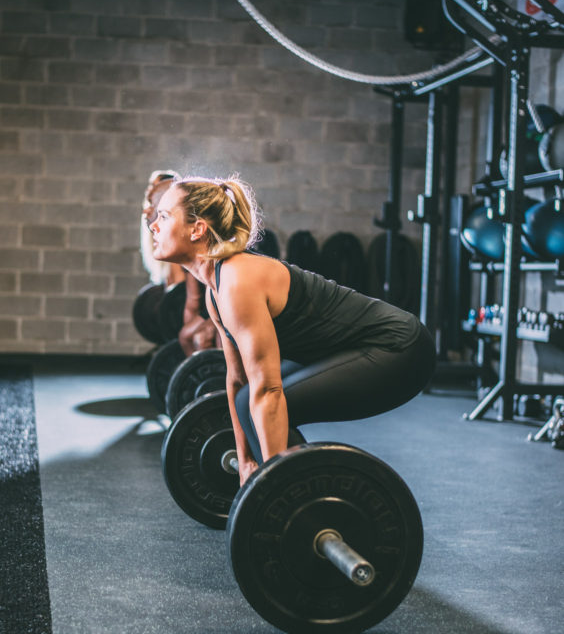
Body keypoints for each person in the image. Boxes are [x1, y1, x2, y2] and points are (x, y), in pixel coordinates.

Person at [150, 174, 436, 484]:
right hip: (350, 348)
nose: (153, 225)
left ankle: (302, 495)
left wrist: (270, 489)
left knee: (265, 401)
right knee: (248, 401)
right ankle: (300, 490)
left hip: (399, 348)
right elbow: (237, 380)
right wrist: (245, 461)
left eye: (164, 216)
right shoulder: (214, 292)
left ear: (197, 229)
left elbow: (268, 391)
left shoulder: (236, 280)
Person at [140, 168, 219, 355]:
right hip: (213, 306)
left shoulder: (220, 264)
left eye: (164, 216)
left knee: (209, 337)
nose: (152, 221)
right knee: (187, 335)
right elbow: (191, 301)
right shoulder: (187, 258)